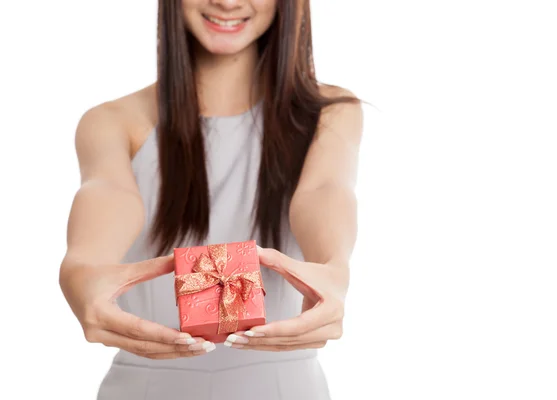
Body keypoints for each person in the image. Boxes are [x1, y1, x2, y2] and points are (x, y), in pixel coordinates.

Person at [59, 1, 363, 399]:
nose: (228, 1)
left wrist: (334, 269)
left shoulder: (329, 112)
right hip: (146, 386)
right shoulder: (112, 121)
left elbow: (324, 191)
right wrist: (80, 270)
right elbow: (108, 194)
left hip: (283, 387)